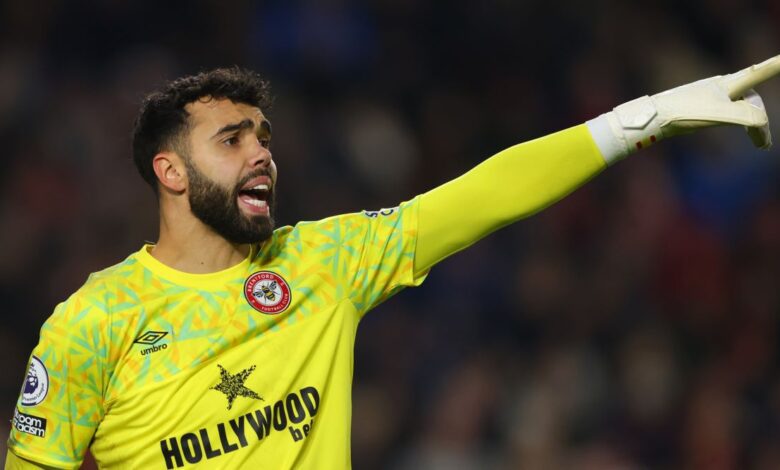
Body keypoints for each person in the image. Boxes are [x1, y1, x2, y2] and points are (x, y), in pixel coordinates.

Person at [5, 56, 779, 469]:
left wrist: (639, 120)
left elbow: (480, 197)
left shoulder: (318, 261)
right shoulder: (93, 321)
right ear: (170, 173)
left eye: (264, 136)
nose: (262, 154)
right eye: (232, 139)